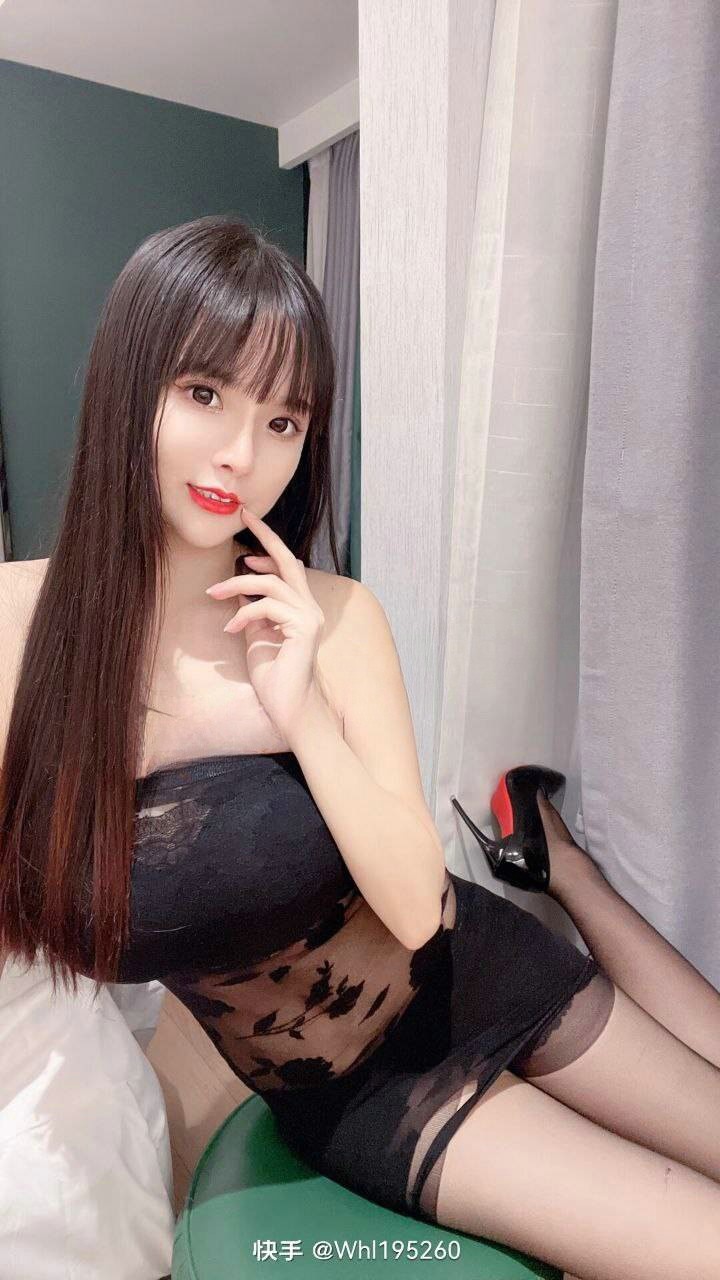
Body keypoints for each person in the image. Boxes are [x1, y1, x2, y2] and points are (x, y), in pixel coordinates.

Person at [1, 214, 719, 1280]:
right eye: (204, 393)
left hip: (480, 970)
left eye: (283, 419)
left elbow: (419, 906)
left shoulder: (333, 618)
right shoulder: (16, 633)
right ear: (129, 384)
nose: (242, 456)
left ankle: (563, 869)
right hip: (365, 1091)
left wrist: (302, 713)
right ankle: (560, 860)